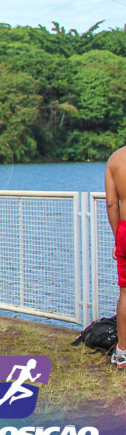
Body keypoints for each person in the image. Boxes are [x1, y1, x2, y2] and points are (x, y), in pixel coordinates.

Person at [106, 146, 126, 368]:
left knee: (125, 292)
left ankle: (122, 351)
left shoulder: (116, 159)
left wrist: (116, 238)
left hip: (124, 230)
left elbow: (111, 203)